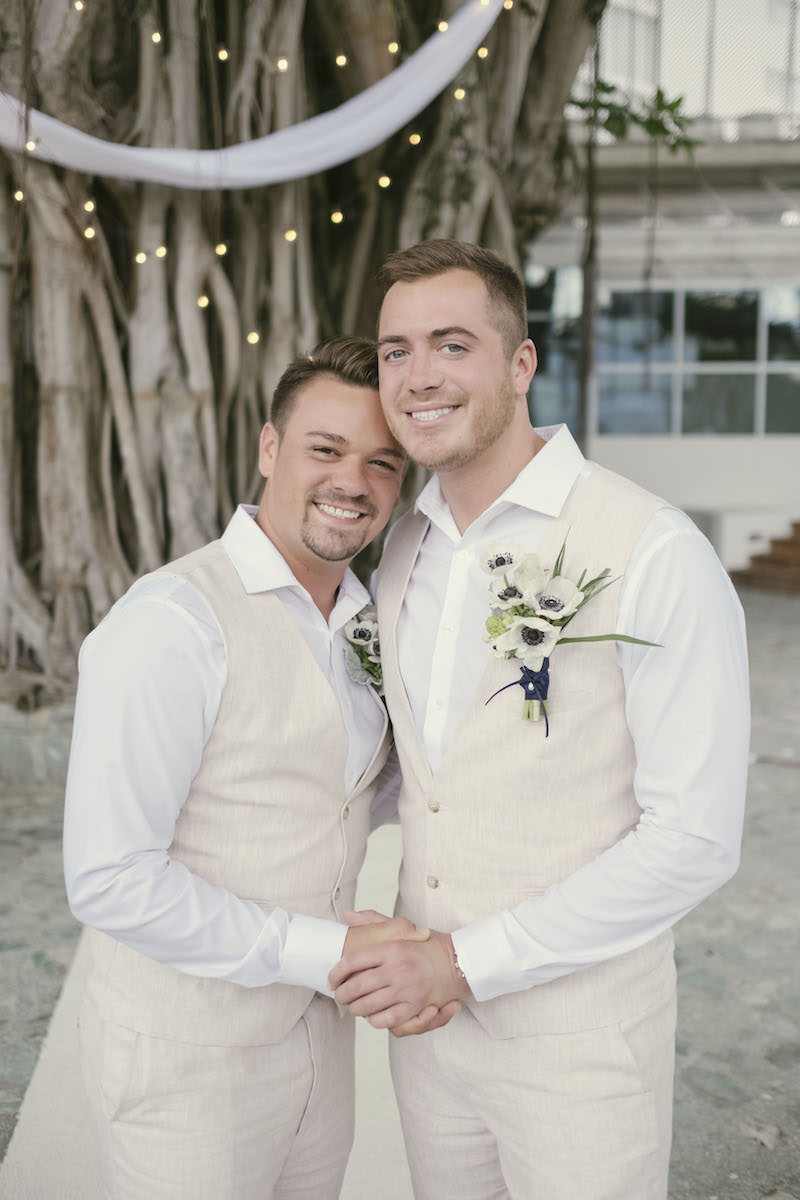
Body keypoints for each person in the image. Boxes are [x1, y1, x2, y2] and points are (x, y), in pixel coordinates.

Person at [329, 241, 750, 1200]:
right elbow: (435, 778)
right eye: (396, 350)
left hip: (580, 1042)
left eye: (451, 344)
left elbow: (694, 839)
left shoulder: (651, 550)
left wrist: (467, 964)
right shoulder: (403, 551)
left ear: (521, 364)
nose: (418, 376)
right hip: (431, 1049)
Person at [63, 336, 439, 1200]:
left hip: (319, 1043)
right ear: (269, 448)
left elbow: (338, 791)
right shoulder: (171, 622)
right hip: (188, 1055)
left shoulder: (367, 616)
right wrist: (325, 948)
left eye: (384, 463)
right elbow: (110, 879)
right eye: (326, 449)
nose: (355, 482)